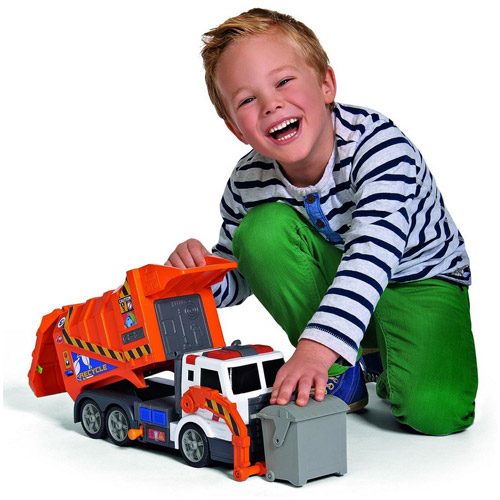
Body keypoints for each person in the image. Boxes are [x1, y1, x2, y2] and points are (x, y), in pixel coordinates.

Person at [166, 8, 478, 435]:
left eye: (283, 81)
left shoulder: (380, 147)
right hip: (340, 278)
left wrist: (316, 347)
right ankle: (343, 371)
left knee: (436, 414)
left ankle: (369, 352)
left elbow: (371, 254)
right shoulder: (247, 182)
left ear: (326, 84)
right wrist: (198, 278)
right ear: (236, 129)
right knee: (258, 233)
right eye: (247, 100)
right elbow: (240, 274)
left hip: (419, 279)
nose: (271, 104)